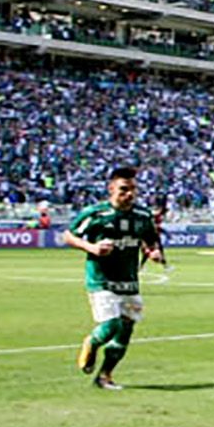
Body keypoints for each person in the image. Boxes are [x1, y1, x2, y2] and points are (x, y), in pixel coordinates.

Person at [63, 166, 163, 391]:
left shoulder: (142, 215)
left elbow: (150, 240)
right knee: (111, 325)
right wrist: (92, 247)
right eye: (124, 189)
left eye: (133, 190)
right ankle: (92, 342)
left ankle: (105, 376)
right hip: (102, 280)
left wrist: (152, 252)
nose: (129, 194)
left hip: (129, 281)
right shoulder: (97, 214)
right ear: (111, 189)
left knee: (126, 330)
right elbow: (68, 235)